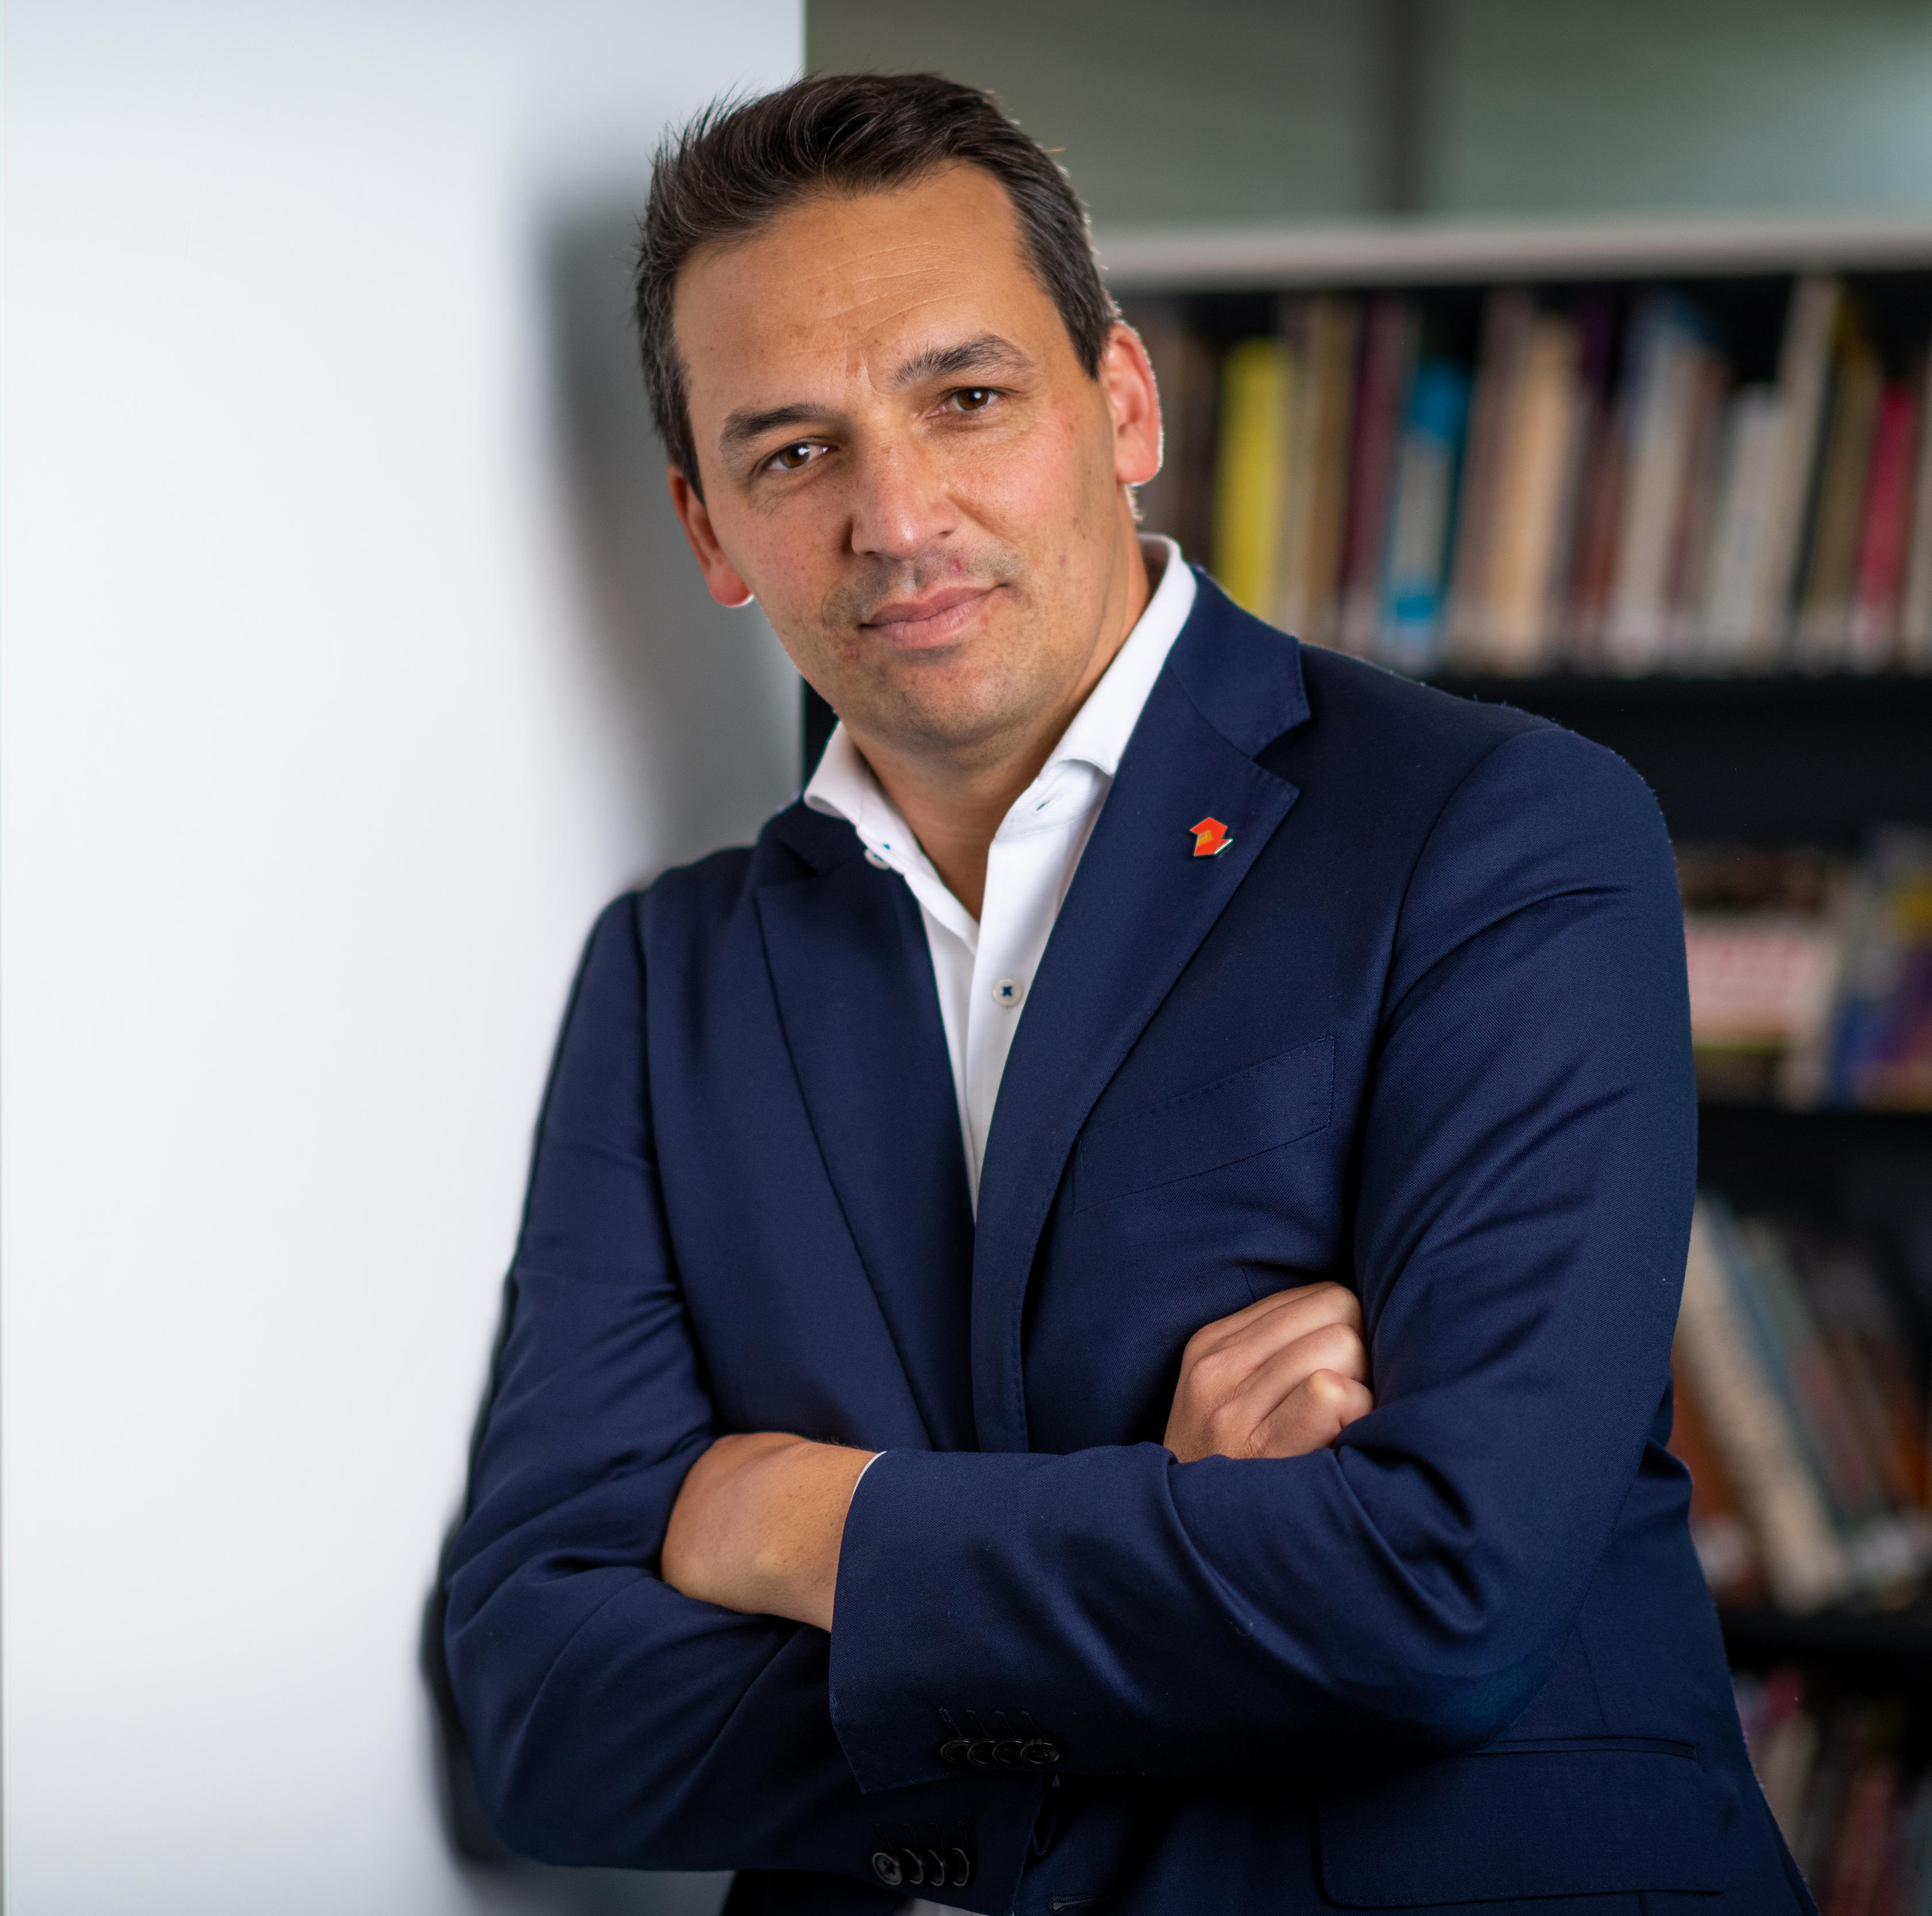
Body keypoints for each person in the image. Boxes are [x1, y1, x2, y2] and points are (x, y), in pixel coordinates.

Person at [440, 73, 1807, 1916]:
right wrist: (1189, 1557)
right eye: (793, 454)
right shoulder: (674, 974)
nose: (897, 517)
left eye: (967, 397)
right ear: (707, 531)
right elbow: (551, 1714)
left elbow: (1440, 1598)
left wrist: (796, 1521)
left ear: (1126, 403)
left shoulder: (1503, 837)